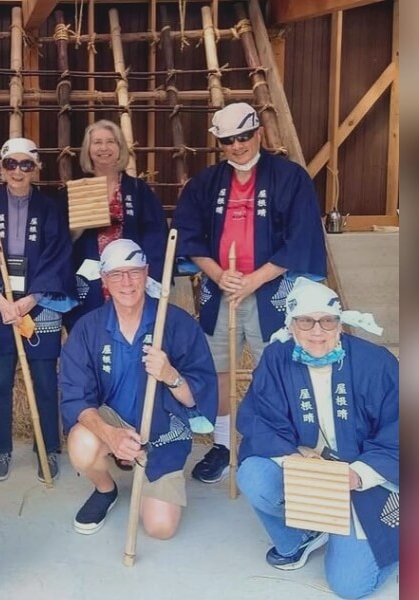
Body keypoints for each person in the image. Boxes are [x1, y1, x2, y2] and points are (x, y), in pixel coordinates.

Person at [172, 102, 328, 485]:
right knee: (218, 370)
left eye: (244, 136)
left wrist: (255, 279)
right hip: (221, 288)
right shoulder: (206, 182)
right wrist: (218, 273)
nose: (238, 145)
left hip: (272, 289)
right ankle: (224, 446)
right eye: (228, 140)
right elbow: (188, 235)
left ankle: (270, 442)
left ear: (258, 132)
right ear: (219, 144)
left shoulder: (289, 177)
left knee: (275, 369)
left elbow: (301, 236)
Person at [235, 278, 398, 598]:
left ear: (340, 323)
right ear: (291, 324)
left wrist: (357, 475)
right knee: (253, 476)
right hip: (309, 468)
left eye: (327, 321)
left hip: (365, 477)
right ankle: (303, 535)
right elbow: (260, 419)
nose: (317, 331)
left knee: (351, 586)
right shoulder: (276, 359)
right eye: (305, 321)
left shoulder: (375, 362)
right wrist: (295, 461)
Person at [59, 239, 218, 538]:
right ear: (105, 280)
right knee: (82, 444)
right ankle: (106, 490)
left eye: (133, 272)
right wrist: (111, 435)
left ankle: (152, 477)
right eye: (117, 274)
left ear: (146, 273)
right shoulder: (88, 328)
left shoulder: (175, 323)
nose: (127, 282)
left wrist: (171, 375)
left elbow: (197, 395)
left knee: (160, 528)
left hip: (163, 427)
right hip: (114, 421)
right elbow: (75, 397)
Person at [0, 137, 76, 482]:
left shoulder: (51, 208)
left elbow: (58, 255)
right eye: (11, 164)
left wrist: (29, 300)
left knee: (43, 381)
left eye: (27, 164)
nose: (18, 171)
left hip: (38, 303)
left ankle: (48, 448)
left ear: (37, 168)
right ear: (1, 168)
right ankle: (1, 448)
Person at [64, 119, 167, 332]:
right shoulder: (75, 191)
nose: (104, 148)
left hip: (129, 278)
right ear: (88, 149)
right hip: (90, 278)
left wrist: (149, 277)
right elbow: (58, 242)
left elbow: (156, 237)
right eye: (97, 142)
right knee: (91, 336)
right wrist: (76, 230)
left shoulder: (138, 190)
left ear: (120, 148)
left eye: (110, 142)